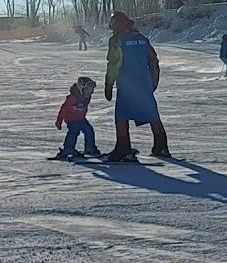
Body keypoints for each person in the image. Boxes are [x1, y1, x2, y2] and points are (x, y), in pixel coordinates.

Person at [104, 11, 169, 161]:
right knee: (152, 113)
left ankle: (123, 148)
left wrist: (108, 84)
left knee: (121, 116)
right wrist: (153, 81)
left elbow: (113, 64)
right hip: (144, 83)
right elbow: (153, 60)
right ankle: (161, 146)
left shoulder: (117, 40)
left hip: (127, 84)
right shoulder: (142, 39)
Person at [54, 76, 100, 159]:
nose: (90, 92)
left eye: (91, 90)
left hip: (81, 119)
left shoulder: (87, 97)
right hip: (71, 119)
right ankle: (68, 149)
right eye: (88, 90)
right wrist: (59, 121)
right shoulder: (72, 98)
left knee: (89, 130)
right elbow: (63, 110)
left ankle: (90, 148)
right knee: (74, 130)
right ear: (81, 88)